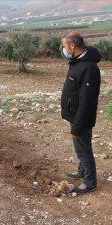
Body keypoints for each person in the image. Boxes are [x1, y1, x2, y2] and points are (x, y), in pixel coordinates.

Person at [61, 31, 101, 194]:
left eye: (64, 45)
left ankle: (90, 182)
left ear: (72, 45)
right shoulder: (77, 61)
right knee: (81, 147)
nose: (63, 49)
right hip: (75, 115)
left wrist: (77, 126)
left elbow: (87, 101)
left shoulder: (88, 67)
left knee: (83, 149)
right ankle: (82, 172)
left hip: (81, 117)